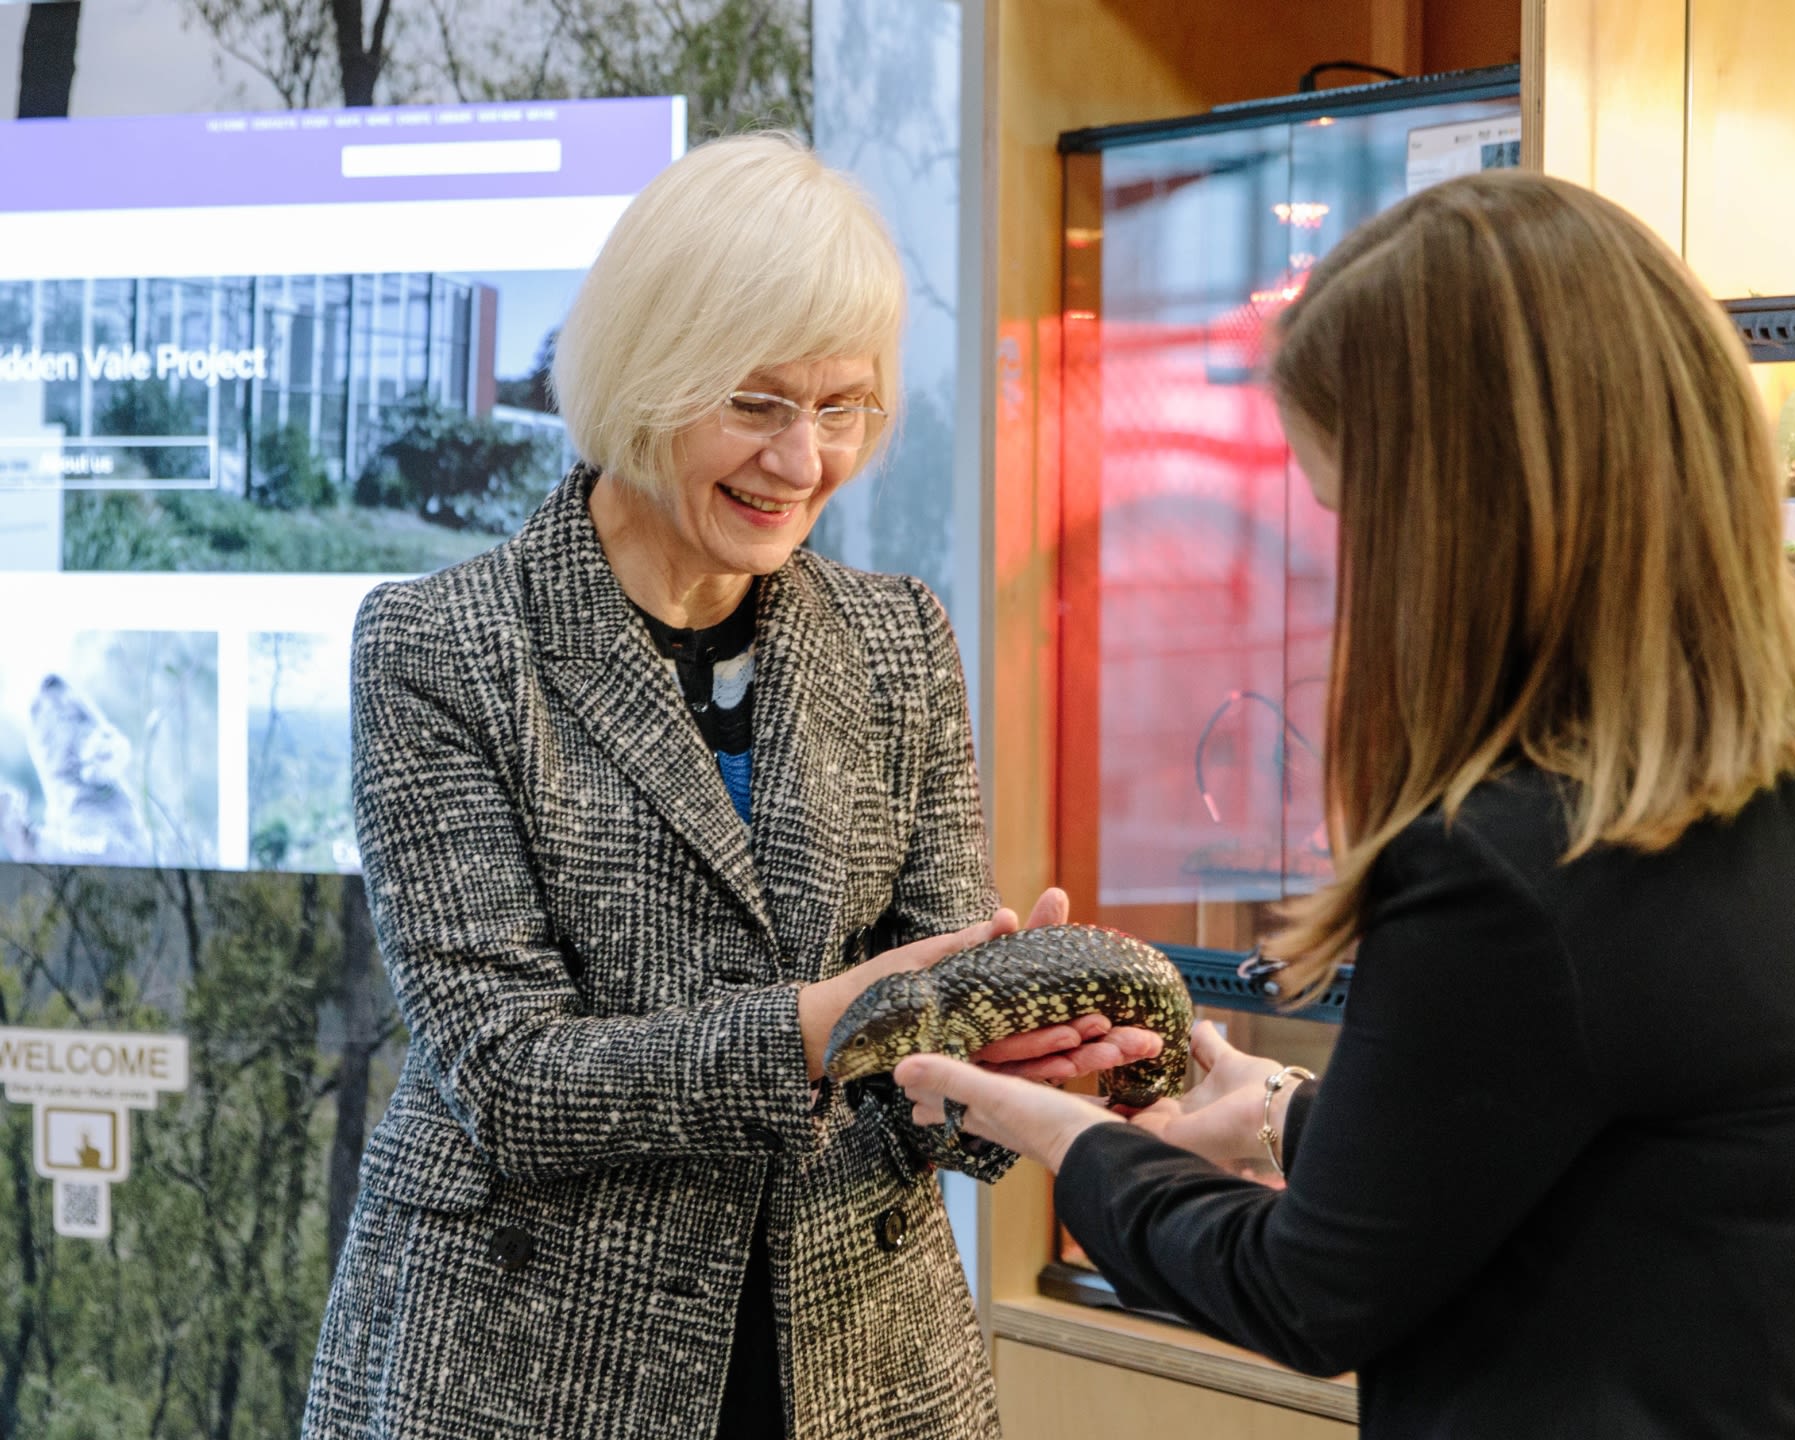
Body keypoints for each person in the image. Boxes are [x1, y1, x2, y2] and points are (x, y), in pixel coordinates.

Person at [893, 171, 1795, 1439]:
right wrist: (1287, 1113)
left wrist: (1066, 1136)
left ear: (1451, 522)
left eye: (1350, 511)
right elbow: (1647, 1153)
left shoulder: (1514, 860)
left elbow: (1307, 1296)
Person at [299, 134, 1157, 1440]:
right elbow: (510, 1079)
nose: (803, 462)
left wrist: (997, 1067)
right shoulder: (442, 647)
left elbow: (915, 1072)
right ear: (648, 375)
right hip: (526, 1368)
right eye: (756, 405)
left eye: (842, 406)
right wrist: (830, 1023)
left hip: (860, 1367)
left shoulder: (897, 640)